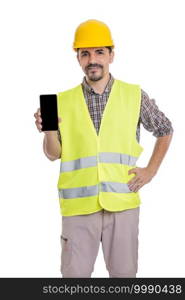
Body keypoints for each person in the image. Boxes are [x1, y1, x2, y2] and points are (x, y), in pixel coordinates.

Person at [34, 19, 173, 278]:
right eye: (85, 53)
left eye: (99, 52)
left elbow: (165, 129)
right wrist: (48, 130)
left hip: (122, 204)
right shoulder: (61, 101)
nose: (92, 59)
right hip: (78, 209)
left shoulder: (134, 95)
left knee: (123, 279)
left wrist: (150, 171)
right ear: (78, 58)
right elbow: (53, 154)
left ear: (112, 55)